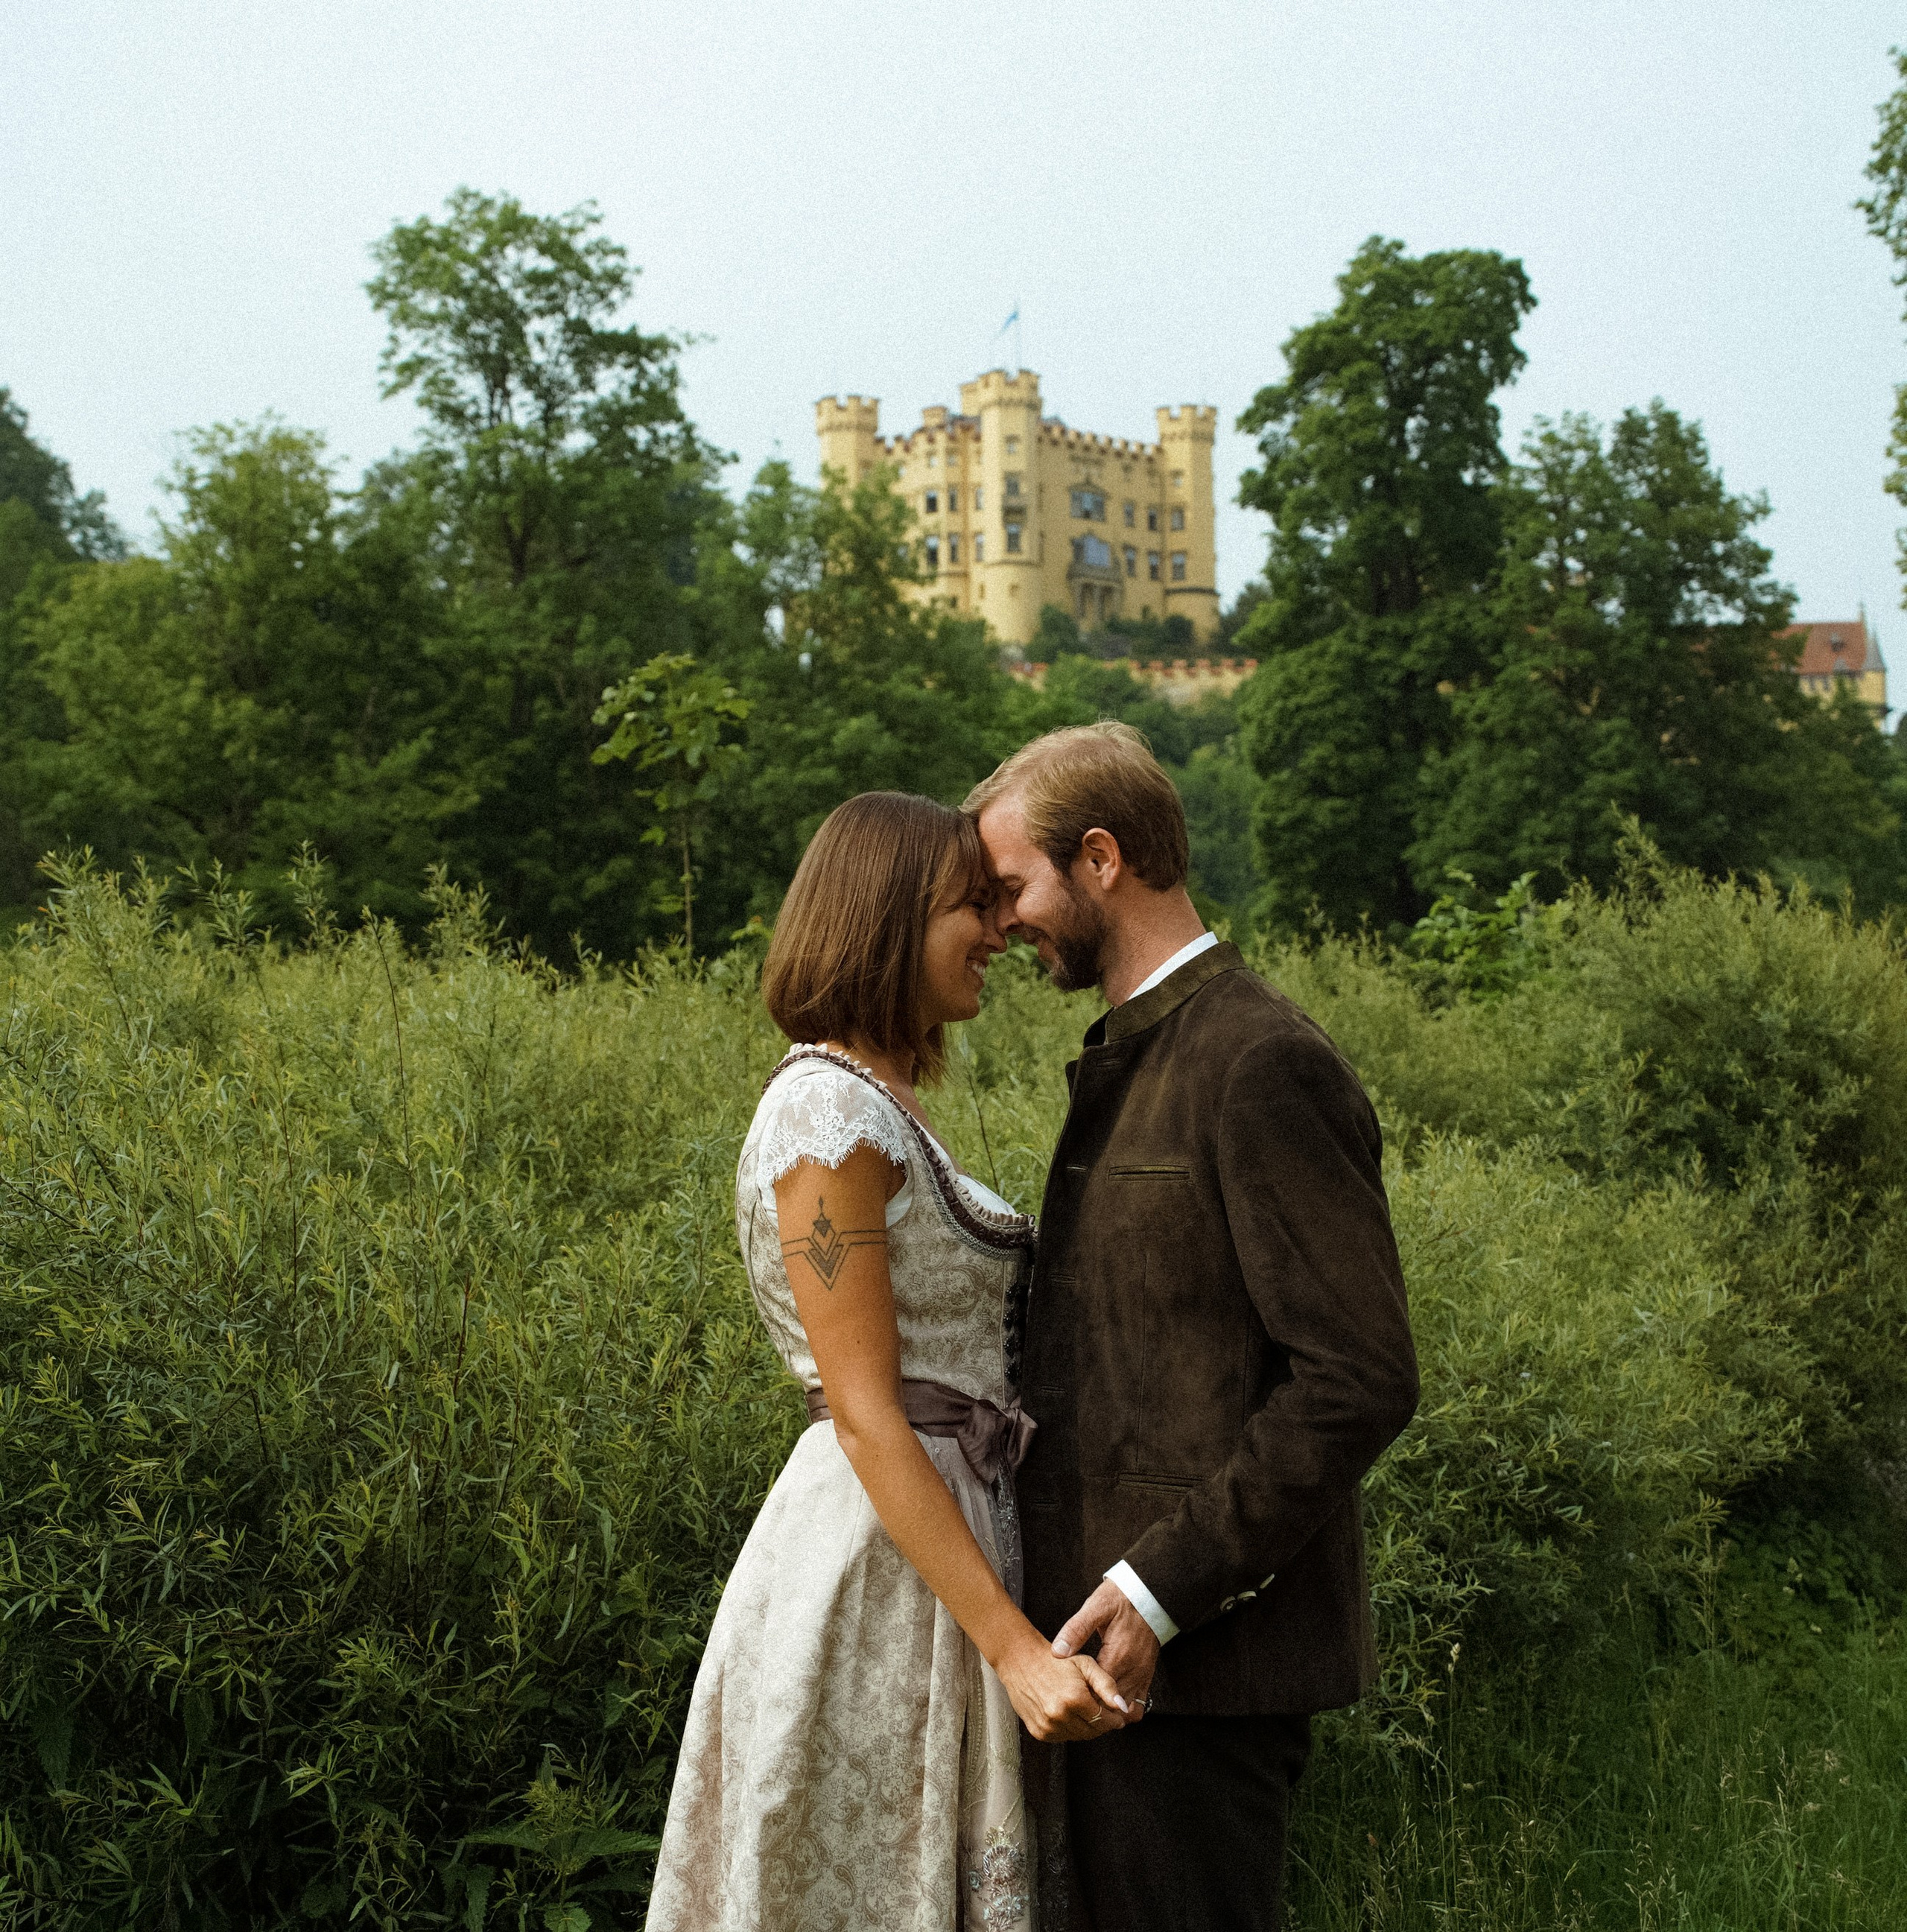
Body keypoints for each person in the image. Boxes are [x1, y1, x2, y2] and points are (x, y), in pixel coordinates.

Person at [965, 723, 1421, 1932]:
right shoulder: (1139, 1051)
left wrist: (1157, 1590)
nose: (1002, 920)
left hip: (1206, 1677)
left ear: (1101, 858)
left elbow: (1358, 1379)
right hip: (1102, 1671)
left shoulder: (1259, 1058)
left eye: (1014, 885)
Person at [646, 790, 1127, 1932]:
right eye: (973, 905)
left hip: (933, 1553)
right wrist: (1012, 1651)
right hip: (873, 1565)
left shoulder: (876, 1102)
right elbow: (864, 1411)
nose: (1000, 932)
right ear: (888, 917)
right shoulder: (825, 1113)